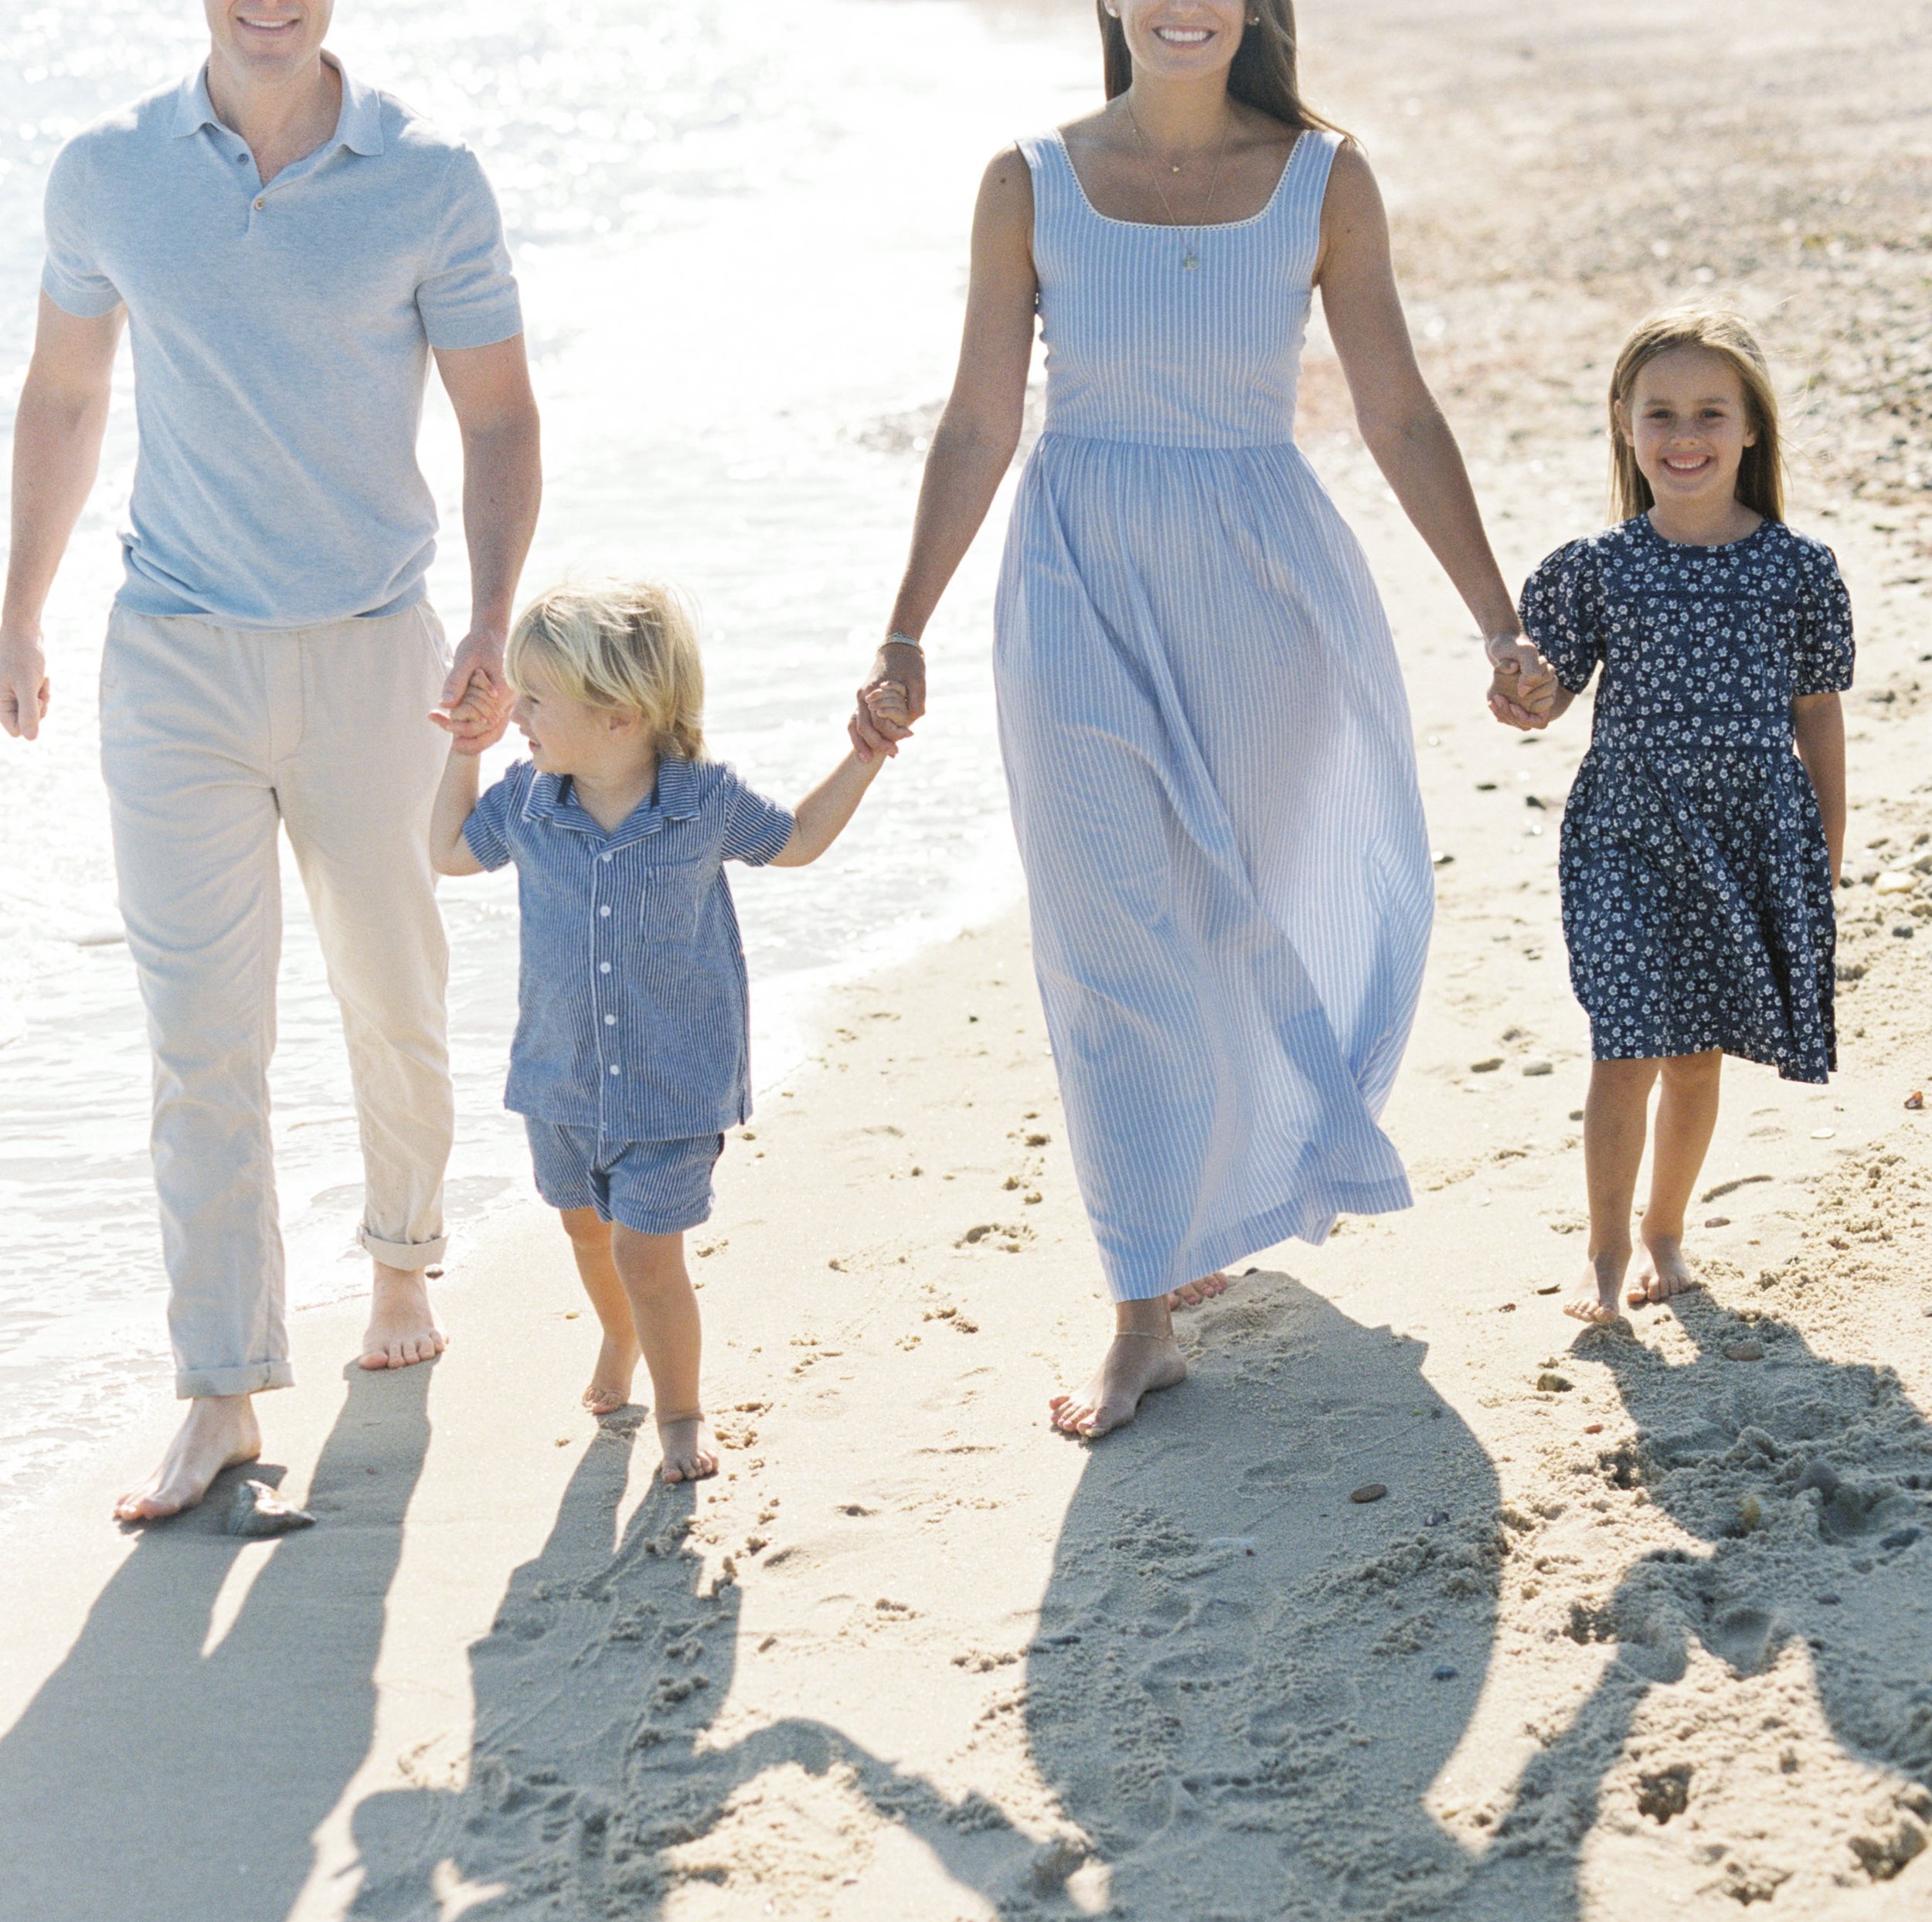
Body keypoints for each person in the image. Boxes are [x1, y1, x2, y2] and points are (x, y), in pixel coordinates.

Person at [849, 0, 1551, 1437]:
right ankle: (1140, 1307)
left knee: (1244, 910)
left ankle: (1212, 1189)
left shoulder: (1324, 179)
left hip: (1262, 581)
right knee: (1108, 938)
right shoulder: (1027, 181)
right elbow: (981, 418)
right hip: (1073, 576)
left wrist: (1497, 618)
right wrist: (905, 625)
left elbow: (1399, 411)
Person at [0, 0, 542, 1522]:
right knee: (201, 1034)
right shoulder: (109, 171)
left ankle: (398, 1265)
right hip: (171, 657)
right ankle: (221, 1387)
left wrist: (492, 621)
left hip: (377, 653)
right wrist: (18, 608)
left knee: (390, 988)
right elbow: (61, 391)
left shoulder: (426, 178)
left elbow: (496, 417)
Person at [430, 580, 889, 1482]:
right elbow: (445, 854)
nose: (515, 712)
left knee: (648, 1251)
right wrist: (465, 753)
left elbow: (795, 840)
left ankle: (680, 1414)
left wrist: (863, 759)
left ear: (619, 716)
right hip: (560, 1077)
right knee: (584, 1231)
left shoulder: (699, 802)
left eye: (535, 699)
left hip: (673, 1083)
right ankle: (616, 1335)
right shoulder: (526, 799)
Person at [1503, 308, 1852, 1325]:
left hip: (1748, 837)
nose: (1684, 432)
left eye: (1709, 411)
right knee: (1627, 1043)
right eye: (1661, 412)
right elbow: (1552, 690)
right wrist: (1523, 690)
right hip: (1625, 833)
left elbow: (1819, 718)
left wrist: (1824, 853)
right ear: (1624, 423)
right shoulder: (1596, 568)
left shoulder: (1797, 571)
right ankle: (1605, 1254)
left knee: (1696, 1055)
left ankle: (1666, 1233)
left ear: (1750, 430)